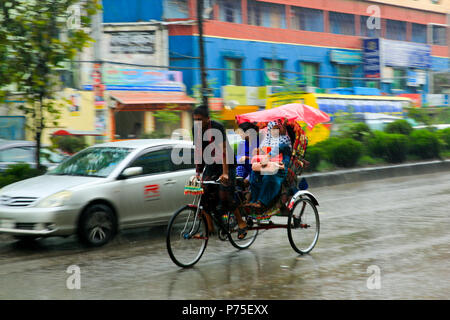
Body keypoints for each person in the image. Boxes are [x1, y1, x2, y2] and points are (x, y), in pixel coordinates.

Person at [192, 106, 248, 239]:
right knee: (203, 192)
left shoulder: (217, 127)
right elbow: (198, 150)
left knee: (225, 195)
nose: (197, 122)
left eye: (200, 119)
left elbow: (222, 150)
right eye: (195, 120)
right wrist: (198, 173)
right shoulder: (195, 129)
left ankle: (241, 222)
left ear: (208, 119)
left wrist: (225, 173)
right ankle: (209, 229)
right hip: (211, 164)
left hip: (227, 164)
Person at [248, 119, 292, 210]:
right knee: (254, 176)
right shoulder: (266, 141)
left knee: (268, 177)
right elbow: (260, 154)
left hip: (279, 167)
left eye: (277, 128)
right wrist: (257, 152)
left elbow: (282, 149)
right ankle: (254, 200)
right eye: (273, 129)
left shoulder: (285, 140)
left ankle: (262, 202)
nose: (275, 131)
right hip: (264, 166)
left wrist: (268, 157)